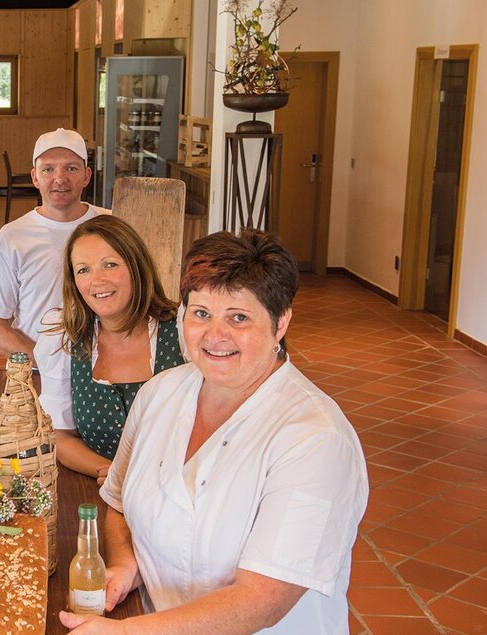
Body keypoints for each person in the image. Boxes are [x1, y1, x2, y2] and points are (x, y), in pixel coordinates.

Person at [60, 230, 368, 634]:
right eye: (201, 313)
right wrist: (124, 562)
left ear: (280, 323)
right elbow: (118, 500)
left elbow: (262, 600)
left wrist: (124, 632)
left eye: (238, 317)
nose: (214, 335)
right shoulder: (159, 394)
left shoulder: (315, 438)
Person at [0, 127, 108, 425]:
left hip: (106, 374)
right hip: (37, 374)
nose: (60, 178)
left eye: (71, 168)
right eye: (48, 169)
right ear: (35, 177)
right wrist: (46, 362)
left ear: (86, 176)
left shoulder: (113, 226)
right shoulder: (13, 236)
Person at [43, 215, 184, 485]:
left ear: (136, 267)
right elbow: (60, 437)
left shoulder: (182, 330)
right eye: (83, 270)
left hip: (178, 490)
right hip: (97, 487)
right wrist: (112, 474)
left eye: (110, 265)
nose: (97, 281)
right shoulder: (65, 338)